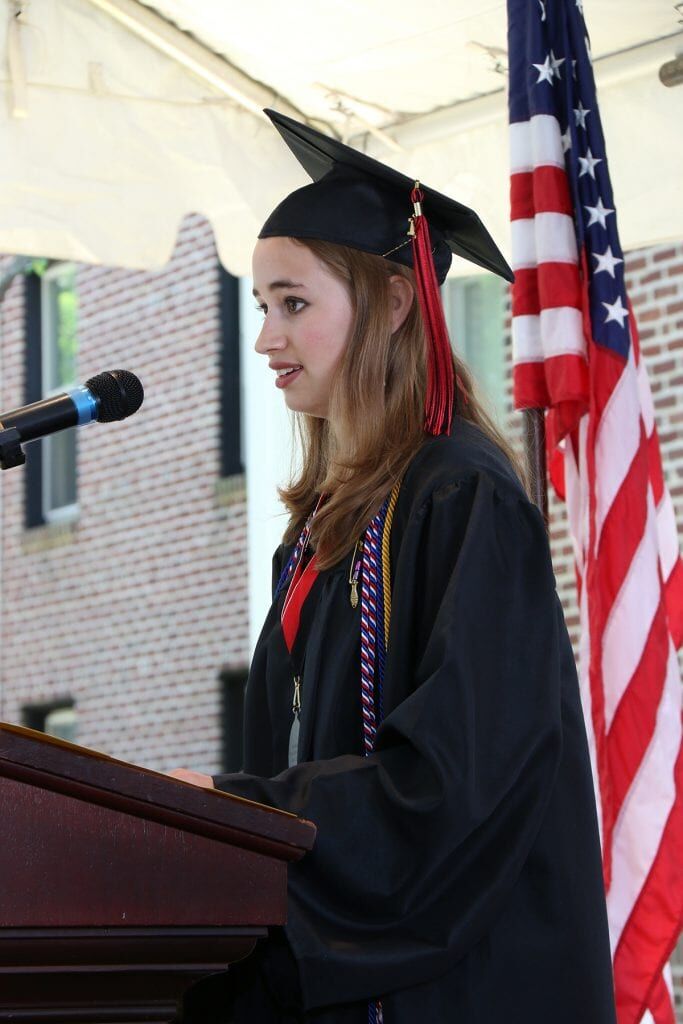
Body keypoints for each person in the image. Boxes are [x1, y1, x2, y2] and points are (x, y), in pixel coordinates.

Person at [172, 110, 617, 1023]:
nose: (265, 339)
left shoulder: (460, 498)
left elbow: (458, 786)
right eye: (262, 307)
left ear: (396, 303)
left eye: (293, 304)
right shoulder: (320, 534)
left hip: (464, 992)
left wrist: (230, 807)